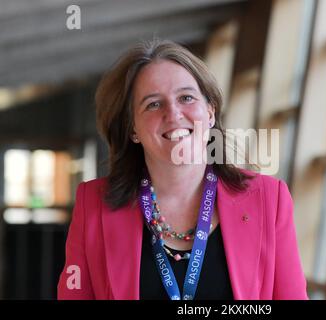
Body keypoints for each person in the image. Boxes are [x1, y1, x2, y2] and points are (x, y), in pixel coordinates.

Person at [57, 39, 308, 300]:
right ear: (132, 128)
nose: (174, 113)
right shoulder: (93, 205)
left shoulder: (269, 198)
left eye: (186, 97)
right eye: (153, 104)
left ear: (210, 112)